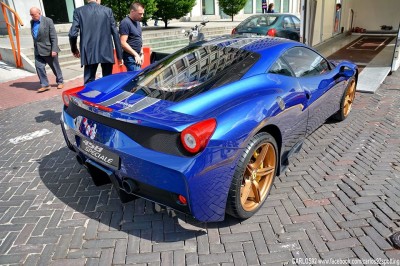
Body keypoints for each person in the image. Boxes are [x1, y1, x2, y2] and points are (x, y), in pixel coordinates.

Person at [69, 0, 123, 84]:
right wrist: (119, 56)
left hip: (89, 51)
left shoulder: (78, 11)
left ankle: (89, 96)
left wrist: (74, 49)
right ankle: (105, 97)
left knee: (89, 83)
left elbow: (72, 34)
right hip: (106, 51)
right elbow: (115, 33)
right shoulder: (107, 11)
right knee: (107, 81)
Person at [29, 7, 64, 93]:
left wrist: (54, 49)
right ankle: (45, 85)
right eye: (31, 15)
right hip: (38, 49)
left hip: (48, 49)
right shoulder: (32, 22)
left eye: (34, 15)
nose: (32, 16)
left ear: (39, 13)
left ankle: (60, 81)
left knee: (55, 67)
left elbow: (53, 36)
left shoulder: (48, 21)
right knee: (39, 67)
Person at [119, 2, 145, 72]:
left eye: (143, 13)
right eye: (140, 13)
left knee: (137, 78)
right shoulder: (125, 23)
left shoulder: (137, 22)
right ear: (132, 11)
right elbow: (123, 43)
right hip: (130, 57)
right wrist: (136, 54)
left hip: (137, 56)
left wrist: (141, 53)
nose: (142, 16)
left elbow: (139, 38)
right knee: (137, 78)